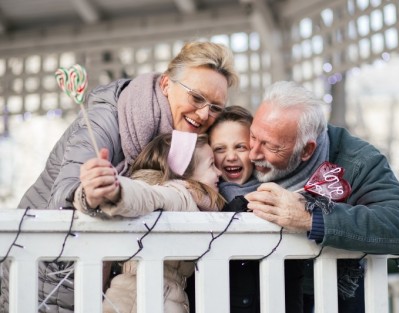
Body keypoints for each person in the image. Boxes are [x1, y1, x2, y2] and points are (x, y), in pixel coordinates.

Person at [1, 41, 238, 313]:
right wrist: (91, 192)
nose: (204, 114)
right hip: (49, 261)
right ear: (165, 84)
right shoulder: (108, 116)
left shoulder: (186, 141)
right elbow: (66, 191)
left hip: (107, 273)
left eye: (216, 107)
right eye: (196, 98)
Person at [219, 81, 399, 313]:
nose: (254, 153)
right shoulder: (236, 158)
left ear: (307, 150)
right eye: (254, 137)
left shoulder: (356, 160)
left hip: (332, 299)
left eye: (270, 146)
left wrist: (311, 218)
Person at [73, 130, 224, 313]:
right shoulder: (179, 194)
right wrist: (114, 190)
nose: (219, 172)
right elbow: (147, 195)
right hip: (145, 301)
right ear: (185, 175)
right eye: (211, 165)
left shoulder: (190, 200)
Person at [208, 105, 254, 186]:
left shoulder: (279, 191)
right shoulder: (198, 196)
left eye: (240, 147)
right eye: (220, 149)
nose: (231, 157)